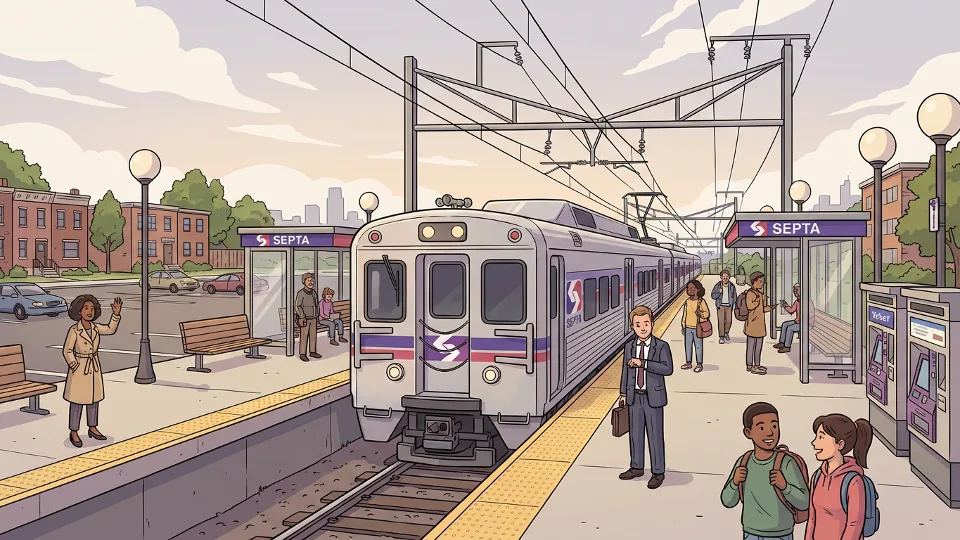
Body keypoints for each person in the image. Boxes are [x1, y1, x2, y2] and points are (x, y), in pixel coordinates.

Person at [721, 402, 810, 540]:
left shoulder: (786, 463)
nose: (770, 432)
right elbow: (727, 501)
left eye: (774, 426)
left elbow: (805, 501)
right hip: (750, 533)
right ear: (748, 433)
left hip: (781, 535)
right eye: (761, 427)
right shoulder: (744, 461)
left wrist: (785, 486)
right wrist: (734, 482)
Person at [618, 305, 674, 489]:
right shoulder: (629, 346)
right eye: (638, 324)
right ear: (632, 327)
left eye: (646, 323)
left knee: (655, 435)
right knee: (635, 434)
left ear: (652, 324)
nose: (642, 328)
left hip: (653, 398)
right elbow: (625, 371)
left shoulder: (661, 346)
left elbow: (668, 369)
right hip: (635, 397)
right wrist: (623, 393)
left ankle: (658, 472)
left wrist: (643, 363)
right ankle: (636, 466)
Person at [62, 295, 123, 448]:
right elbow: (67, 350)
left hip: (93, 366)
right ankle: (74, 431)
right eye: (86, 308)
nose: (89, 311)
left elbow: (110, 329)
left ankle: (92, 427)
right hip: (80, 367)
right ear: (79, 310)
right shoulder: (74, 330)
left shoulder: (95, 327)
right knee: (77, 401)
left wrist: (115, 314)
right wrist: (74, 364)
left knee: (93, 400)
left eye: (92, 308)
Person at [807, 414, 874, 540]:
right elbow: (812, 518)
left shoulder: (853, 482)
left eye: (821, 437)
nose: (814, 442)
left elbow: (854, 525)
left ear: (840, 444)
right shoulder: (817, 477)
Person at [744, 272, 775, 375]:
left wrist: (770, 308)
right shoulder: (750, 293)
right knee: (751, 346)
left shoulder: (760, 294)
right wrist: (758, 299)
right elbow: (750, 306)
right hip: (752, 324)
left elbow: (761, 309)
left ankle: (757, 364)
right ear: (754, 282)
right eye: (760, 281)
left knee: (758, 347)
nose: (762, 283)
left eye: (762, 281)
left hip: (760, 324)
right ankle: (749, 365)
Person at [680, 280, 710, 373]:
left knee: (698, 346)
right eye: (689, 288)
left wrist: (700, 314)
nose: (690, 290)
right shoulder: (687, 301)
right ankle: (688, 363)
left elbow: (707, 314)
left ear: (698, 289)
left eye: (693, 288)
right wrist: (683, 325)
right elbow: (684, 314)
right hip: (688, 328)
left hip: (697, 328)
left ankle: (699, 364)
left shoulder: (701, 301)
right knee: (688, 346)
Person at [295, 273, 322, 362]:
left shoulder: (314, 292)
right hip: (305, 319)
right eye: (309, 280)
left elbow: (316, 305)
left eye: (312, 280)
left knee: (313, 336)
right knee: (304, 336)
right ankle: (302, 354)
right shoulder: (301, 293)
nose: (311, 282)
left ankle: (312, 351)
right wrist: (302, 316)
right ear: (304, 282)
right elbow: (298, 306)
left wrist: (317, 316)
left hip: (313, 318)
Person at [711, 269, 737, 344]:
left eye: (727, 277)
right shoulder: (717, 285)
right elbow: (713, 296)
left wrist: (734, 305)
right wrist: (719, 292)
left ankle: (726, 333)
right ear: (721, 277)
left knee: (729, 321)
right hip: (720, 306)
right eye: (723, 277)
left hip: (729, 306)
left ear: (729, 277)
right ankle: (721, 337)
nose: (725, 278)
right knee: (721, 322)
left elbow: (734, 296)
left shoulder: (732, 286)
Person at [775, 284, 801, 353]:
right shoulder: (797, 301)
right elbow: (791, 310)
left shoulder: (806, 302)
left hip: (804, 324)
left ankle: (787, 346)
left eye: (797, 290)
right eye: (794, 290)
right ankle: (782, 342)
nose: (795, 292)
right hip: (798, 321)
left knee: (790, 328)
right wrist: (785, 305)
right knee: (785, 324)